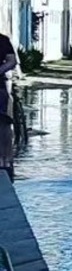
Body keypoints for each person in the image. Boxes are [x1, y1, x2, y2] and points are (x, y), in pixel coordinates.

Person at [0, 32, 17, 179]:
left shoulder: (2, 40)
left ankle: (5, 160)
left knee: (3, 124)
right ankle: (5, 161)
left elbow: (12, 61)